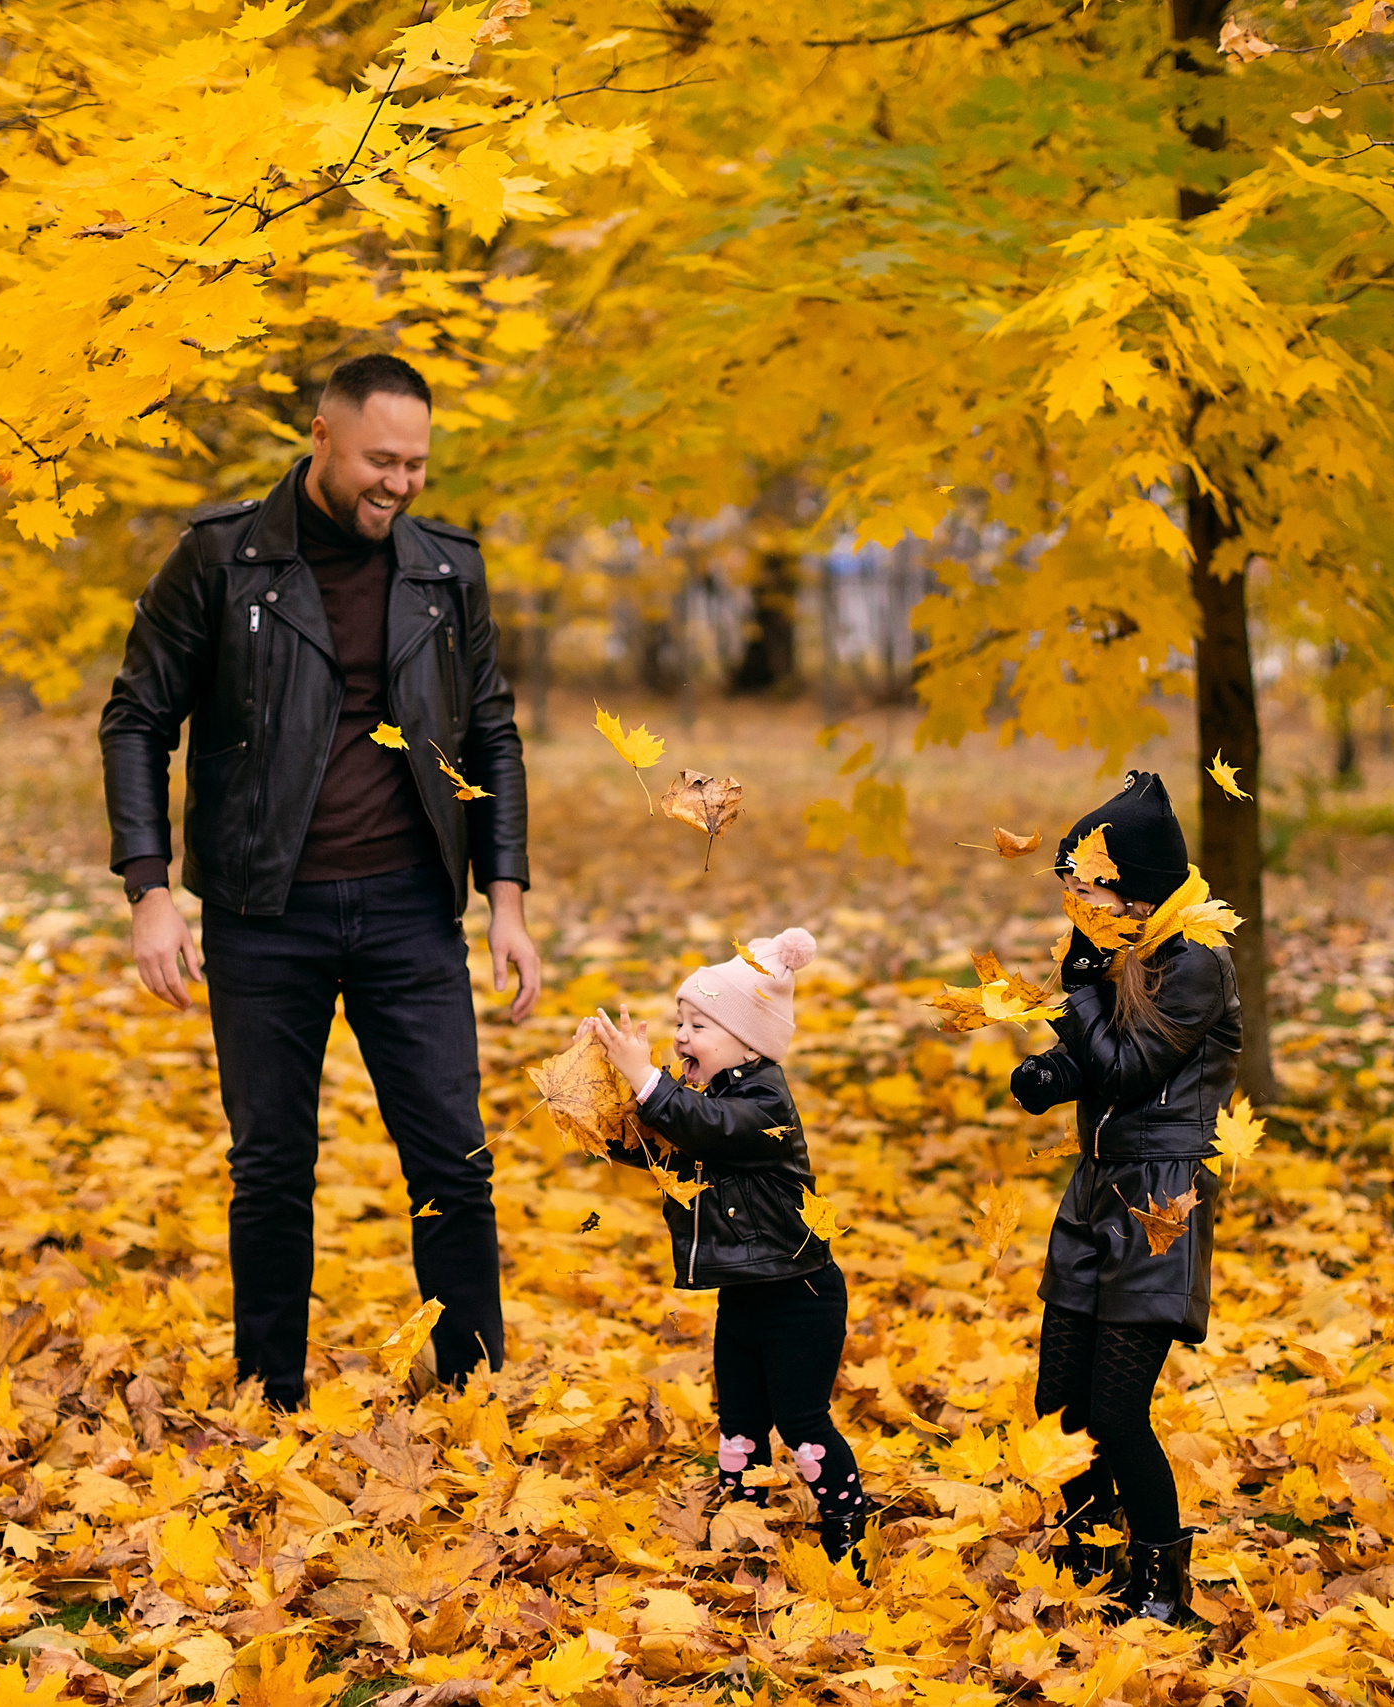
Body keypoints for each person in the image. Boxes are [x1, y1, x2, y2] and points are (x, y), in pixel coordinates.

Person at [98, 352, 542, 1404]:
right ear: (321, 437)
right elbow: (137, 718)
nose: (399, 483)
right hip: (264, 913)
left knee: (453, 1163)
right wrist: (149, 891)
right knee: (271, 1171)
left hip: (409, 912)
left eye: (417, 464)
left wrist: (507, 902)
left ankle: (473, 1391)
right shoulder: (219, 560)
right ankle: (271, 1392)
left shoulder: (445, 568)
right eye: (381, 460)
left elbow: (491, 734)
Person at [1010, 770, 1239, 1628]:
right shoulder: (1122, 950)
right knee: (1058, 1401)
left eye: (1086, 882)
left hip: (1158, 1204)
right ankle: (1086, 1551)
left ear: (1133, 886)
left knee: (1117, 1408)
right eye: (1068, 883)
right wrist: (1046, 1074)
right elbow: (1095, 1060)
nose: (1073, 896)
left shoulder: (1197, 963)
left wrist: (1074, 995)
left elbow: (1129, 1064)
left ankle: (1162, 1584)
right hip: (1095, 1187)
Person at [578, 930, 877, 1574]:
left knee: (801, 1424)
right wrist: (601, 1094)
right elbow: (662, 1144)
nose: (681, 1037)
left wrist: (647, 1077)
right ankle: (744, 1523)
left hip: (802, 1297)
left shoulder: (764, 1104)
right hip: (745, 1298)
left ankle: (849, 1521)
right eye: (679, 1022)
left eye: (699, 1026)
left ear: (749, 1045)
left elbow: (706, 1128)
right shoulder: (705, 1102)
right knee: (739, 1421)